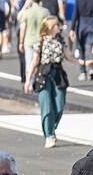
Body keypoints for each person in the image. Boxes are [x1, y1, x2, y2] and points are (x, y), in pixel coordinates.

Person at [23, 16, 68, 148]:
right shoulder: (41, 42)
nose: (58, 27)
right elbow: (35, 61)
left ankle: (52, 127)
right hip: (43, 75)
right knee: (46, 106)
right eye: (55, 26)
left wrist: (83, 62)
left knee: (59, 106)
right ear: (49, 28)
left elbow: (68, 55)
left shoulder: (60, 40)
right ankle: (49, 135)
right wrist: (28, 80)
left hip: (58, 73)